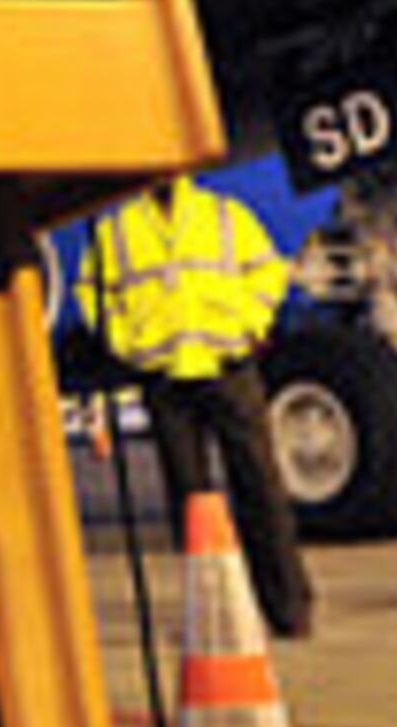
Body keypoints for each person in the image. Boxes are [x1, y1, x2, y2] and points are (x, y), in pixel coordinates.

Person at [74, 173, 318, 637]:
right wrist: (129, 345)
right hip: (166, 375)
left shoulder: (223, 215)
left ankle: (289, 608)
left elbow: (268, 272)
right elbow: (93, 294)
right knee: (191, 505)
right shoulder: (117, 229)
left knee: (261, 491)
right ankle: (215, 615)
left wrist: (249, 325)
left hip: (227, 367)